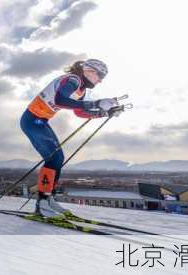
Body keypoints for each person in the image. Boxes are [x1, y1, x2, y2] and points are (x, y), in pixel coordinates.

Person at [21, 59, 122, 217]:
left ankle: (48, 199)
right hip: (32, 120)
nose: (100, 80)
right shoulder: (73, 80)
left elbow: (78, 112)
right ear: (89, 71)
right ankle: (42, 203)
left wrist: (103, 112)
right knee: (54, 159)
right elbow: (60, 100)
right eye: (100, 75)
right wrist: (96, 102)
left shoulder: (80, 89)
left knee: (57, 158)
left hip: (39, 121)